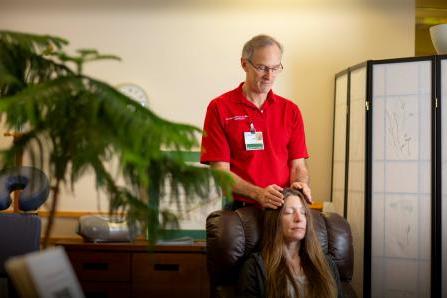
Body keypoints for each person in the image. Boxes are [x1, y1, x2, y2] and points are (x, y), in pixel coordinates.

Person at [200, 34, 311, 210]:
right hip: (241, 209)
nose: (269, 76)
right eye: (262, 67)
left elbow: (298, 166)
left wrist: (300, 183)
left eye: (275, 68)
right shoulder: (219, 108)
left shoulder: (291, 111)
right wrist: (258, 193)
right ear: (244, 64)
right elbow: (220, 172)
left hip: (282, 210)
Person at [236, 188, 343, 298]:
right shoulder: (254, 268)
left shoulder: (327, 265)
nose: (299, 218)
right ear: (274, 220)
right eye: (289, 212)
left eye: (303, 213)